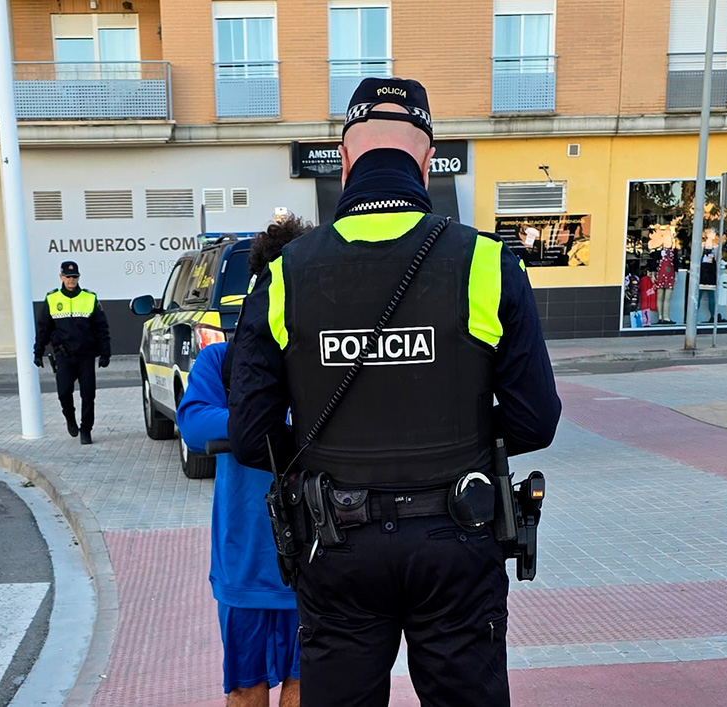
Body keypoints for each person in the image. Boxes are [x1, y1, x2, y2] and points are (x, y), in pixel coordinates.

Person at [227, 78, 561, 707]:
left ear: (346, 159)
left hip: (335, 542)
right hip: (459, 536)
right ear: (428, 162)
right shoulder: (487, 263)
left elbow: (251, 437)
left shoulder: (282, 276)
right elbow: (535, 421)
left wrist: (332, 452)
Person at [177, 215, 311, 707]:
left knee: (307, 688)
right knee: (245, 690)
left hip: (317, 559)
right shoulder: (224, 361)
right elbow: (195, 423)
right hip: (246, 563)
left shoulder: (325, 357)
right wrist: (272, 426)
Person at [33, 260, 110, 445]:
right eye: (68, 277)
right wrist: (38, 352)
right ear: (61, 277)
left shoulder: (89, 298)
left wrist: (105, 353)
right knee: (64, 393)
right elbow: (43, 328)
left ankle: (86, 429)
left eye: (74, 277)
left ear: (78, 277)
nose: (71, 280)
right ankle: (70, 418)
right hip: (63, 355)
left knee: (88, 394)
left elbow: (102, 328)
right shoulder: (52, 299)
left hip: (85, 355)